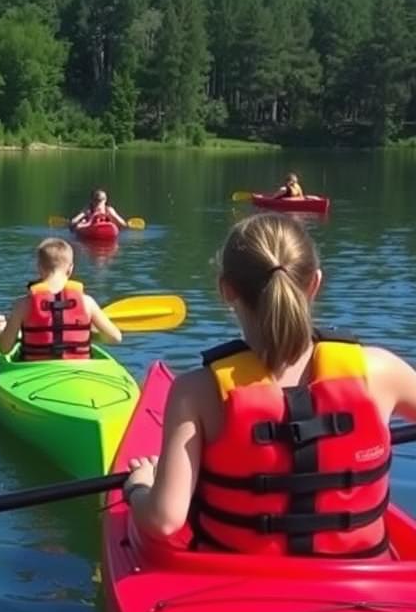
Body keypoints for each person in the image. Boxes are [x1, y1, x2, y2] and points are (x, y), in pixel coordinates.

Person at [122, 213, 416, 559]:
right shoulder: (380, 370)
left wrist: (139, 486)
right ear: (315, 283)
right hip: (369, 588)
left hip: (233, 588)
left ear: (226, 290)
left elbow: (164, 520)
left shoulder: (197, 391)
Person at [0, 237, 122, 360]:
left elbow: (5, 349)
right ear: (70, 269)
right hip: (79, 371)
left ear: (39, 268)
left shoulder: (22, 305)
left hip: (35, 372)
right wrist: (88, 331)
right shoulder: (87, 302)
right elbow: (115, 338)